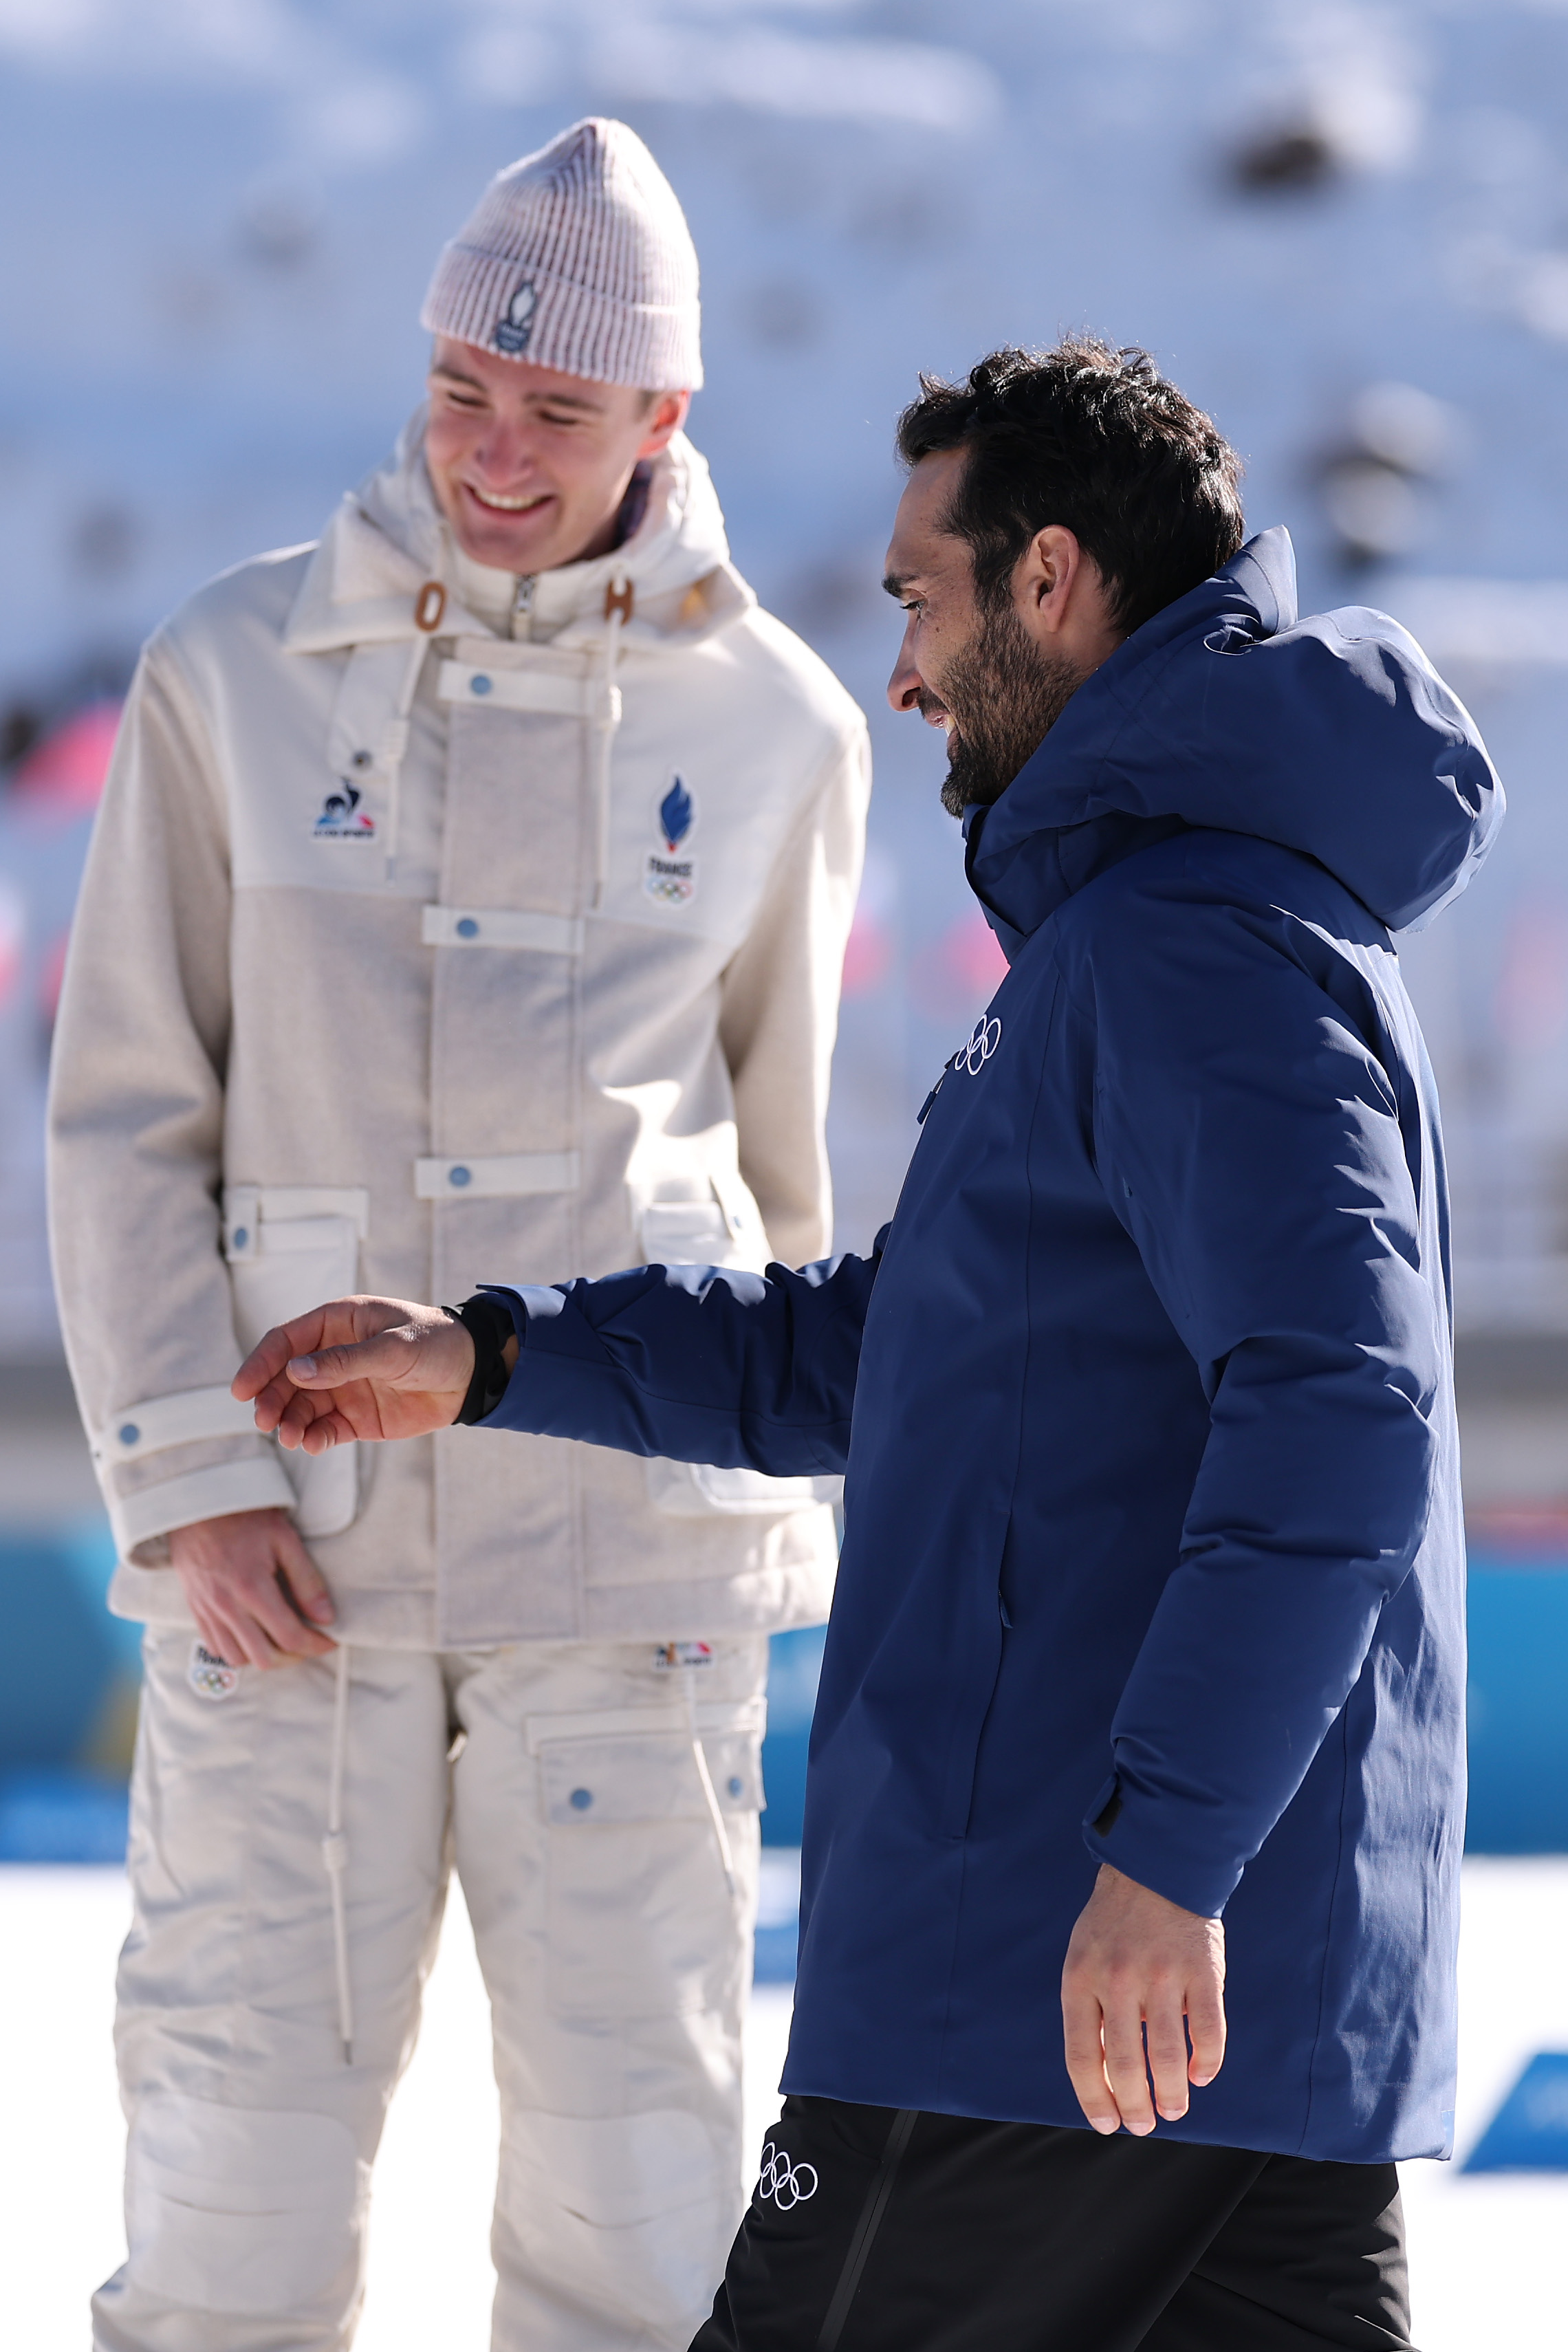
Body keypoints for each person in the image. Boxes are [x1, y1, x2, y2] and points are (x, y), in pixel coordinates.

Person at [233, 340, 1496, 2351]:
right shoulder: (1172, 935)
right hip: (1220, 2017)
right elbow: (905, 1350)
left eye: (922, 595)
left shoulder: (1187, 949)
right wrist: (494, 1356)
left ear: (1050, 577)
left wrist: (1166, 1859)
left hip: (1052, 1991)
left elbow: (1342, 1418)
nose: (902, 670)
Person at [49, 119, 869, 2352]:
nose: (496, 452)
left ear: (664, 413)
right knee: (227, 2191)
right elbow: (123, 1113)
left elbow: (782, 1180)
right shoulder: (231, 671)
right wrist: (192, 1484)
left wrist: (750, 1532)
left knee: (639, 2207)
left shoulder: (780, 725)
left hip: (629, 1568)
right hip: (288, 1560)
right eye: (461, 389)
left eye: (559, 408)